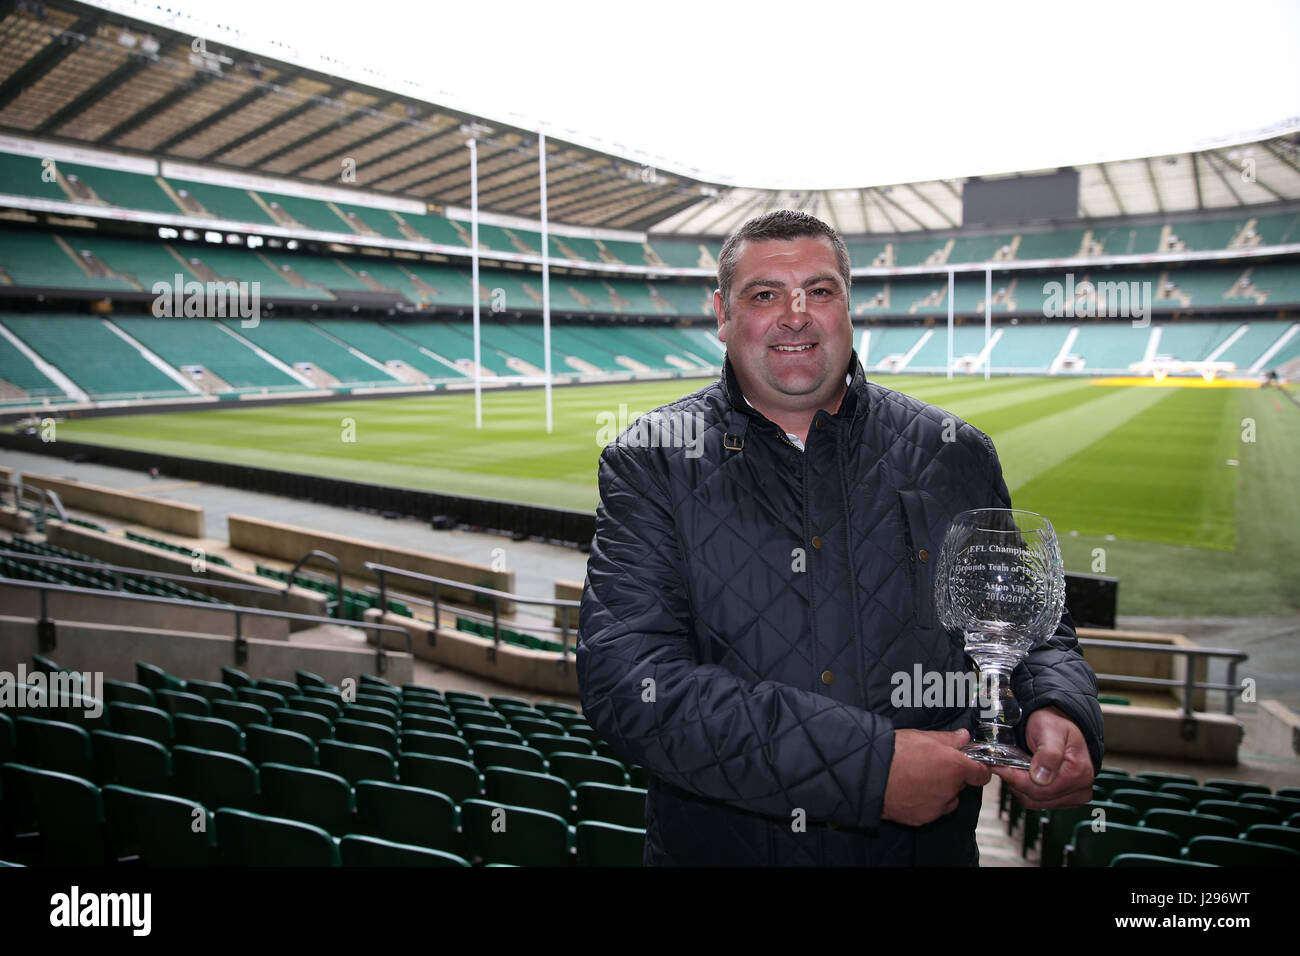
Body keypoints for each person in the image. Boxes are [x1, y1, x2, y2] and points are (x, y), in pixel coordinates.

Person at [577, 210, 1102, 866]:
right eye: (765, 295)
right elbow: (630, 685)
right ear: (722, 313)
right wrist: (869, 769)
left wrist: (1061, 708)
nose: (795, 316)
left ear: (849, 306)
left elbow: (1027, 627)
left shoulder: (955, 454)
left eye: (819, 292)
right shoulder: (651, 459)